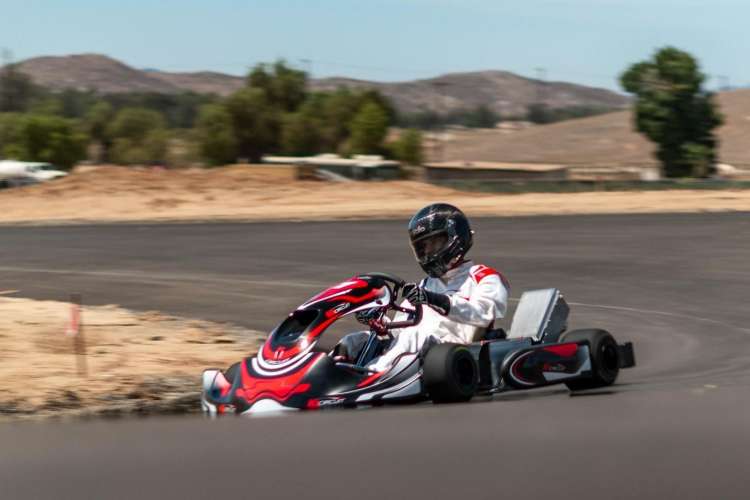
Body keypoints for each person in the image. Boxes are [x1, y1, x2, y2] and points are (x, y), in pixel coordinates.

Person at [340, 203, 510, 372]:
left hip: (455, 351)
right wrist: (380, 323)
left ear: (454, 238)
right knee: (355, 340)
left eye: (434, 243)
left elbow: (484, 314)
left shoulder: (484, 276)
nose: (428, 251)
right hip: (418, 349)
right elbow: (400, 328)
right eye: (423, 246)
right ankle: (327, 376)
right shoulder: (425, 285)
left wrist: (435, 300)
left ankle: (369, 377)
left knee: (413, 336)